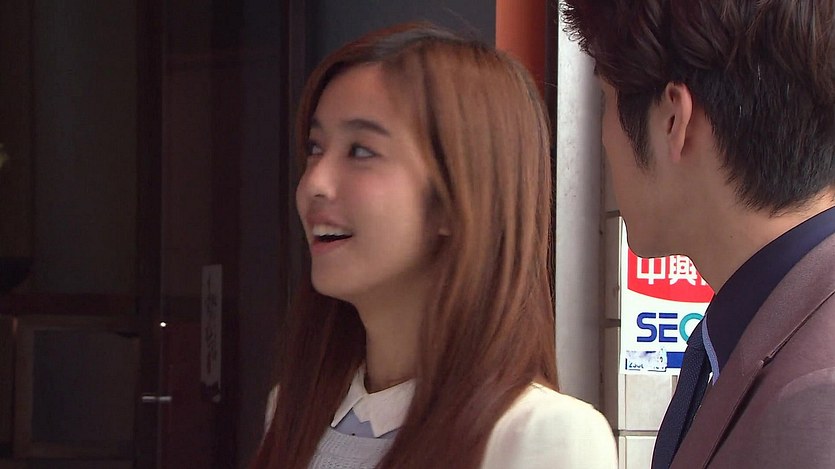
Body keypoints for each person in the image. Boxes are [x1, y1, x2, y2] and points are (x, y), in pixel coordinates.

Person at [250, 23, 617, 469]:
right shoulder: (292, 410)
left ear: (458, 197)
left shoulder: (542, 433)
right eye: (315, 147)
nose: (314, 184)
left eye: (361, 151)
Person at [562, 1, 835, 468]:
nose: (606, 139)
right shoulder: (768, 329)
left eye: (607, 100)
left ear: (674, 119)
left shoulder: (815, 404)